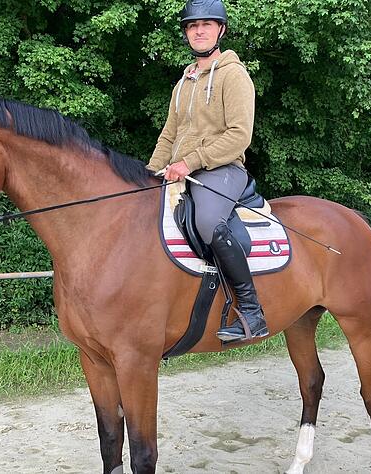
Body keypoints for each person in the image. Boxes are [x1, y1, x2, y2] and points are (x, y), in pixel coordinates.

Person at [147, 0, 268, 342]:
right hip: (181, 171)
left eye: (207, 24)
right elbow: (169, 135)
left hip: (223, 168)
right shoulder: (182, 83)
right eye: (192, 25)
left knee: (207, 222)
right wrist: (149, 174)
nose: (199, 30)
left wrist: (190, 162)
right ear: (186, 33)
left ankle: (251, 310)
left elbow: (238, 136)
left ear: (221, 30)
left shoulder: (234, 75)